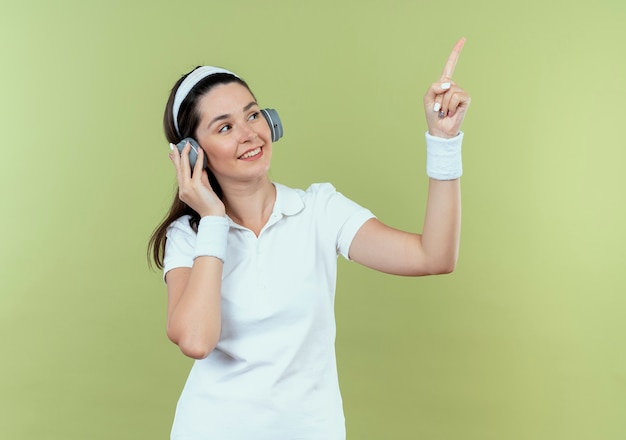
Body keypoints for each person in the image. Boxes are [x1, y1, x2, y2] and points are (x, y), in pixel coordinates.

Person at [148, 37, 471, 440]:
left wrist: (443, 142)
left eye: (253, 115)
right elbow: (196, 339)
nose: (249, 133)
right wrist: (213, 218)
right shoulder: (189, 236)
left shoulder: (319, 210)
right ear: (193, 153)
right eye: (225, 127)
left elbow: (433, 257)